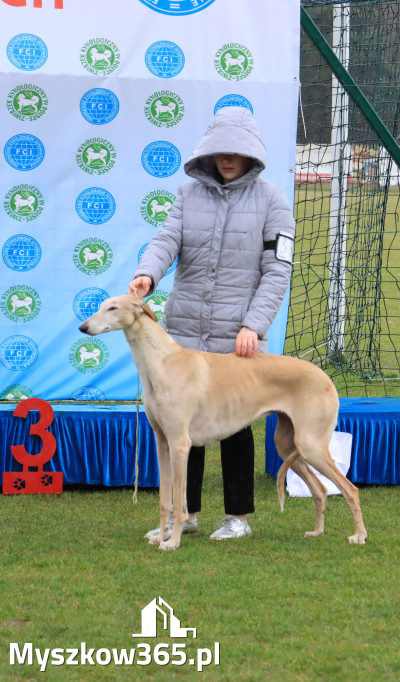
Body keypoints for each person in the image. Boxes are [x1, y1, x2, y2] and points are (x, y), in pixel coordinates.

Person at [129, 107, 295, 541]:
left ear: (251, 155)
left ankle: (238, 517)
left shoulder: (273, 198)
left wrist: (253, 326)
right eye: (220, 151)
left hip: (235, 336)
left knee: (236, 425)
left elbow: (278, 269)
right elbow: (167, 239)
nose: (227, 159)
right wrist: (149, 272)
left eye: (236, 153)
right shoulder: (187, 193)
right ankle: (186, 513)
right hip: (182, 329)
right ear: (209, 152)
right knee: (180, 423)